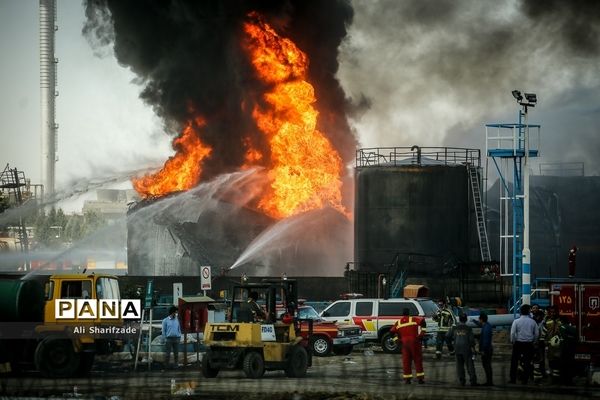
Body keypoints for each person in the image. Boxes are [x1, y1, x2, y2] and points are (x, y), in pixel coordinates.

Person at [390, 308, 426, 384]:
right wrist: (422, 333)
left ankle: (407, 379)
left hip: (404, 344)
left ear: (402, 314)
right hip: (414, 342)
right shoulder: (413, 319)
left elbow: (391, 332)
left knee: (406, 361)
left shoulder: (398, 322)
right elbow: (423, 322)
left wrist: (397, 340)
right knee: (417, 360)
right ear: (409, 313)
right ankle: (420, 379)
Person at [509, 304, 539, 384]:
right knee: (527, 362)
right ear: (529, 311)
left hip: (518, 344)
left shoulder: (516, 321)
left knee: (514, 362)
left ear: (520, 312)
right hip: (529, 344)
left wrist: (513, 341)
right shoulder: (533, 322)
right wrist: (534, 341)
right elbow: (536, 334)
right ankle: (525, 380)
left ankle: (513, 379)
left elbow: (512, 333)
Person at [448, 313, 477, 386]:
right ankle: (473, 381)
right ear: (466, 319)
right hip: (466, 349)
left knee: (459, 366)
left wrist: (451, 347)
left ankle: (462, 381)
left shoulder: (455, 328)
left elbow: (447, 336)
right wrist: (474, 349)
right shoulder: (468, 328)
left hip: (457, 348)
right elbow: (471, 340)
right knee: (470, 365)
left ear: (459, 319)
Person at [558, 316, 577, 385]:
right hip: (571, 349)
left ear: (562, 321)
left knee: (563, 365)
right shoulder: (572, 328)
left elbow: (561, 338)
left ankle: (563, 380)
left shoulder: (562, 327)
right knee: (570, 365)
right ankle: (569, 381)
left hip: (563, 349)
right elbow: (575, 337)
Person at [478, 312, 493, 386]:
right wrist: (474, 321)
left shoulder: (486, 328)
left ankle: (489, 382)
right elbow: (480, 324)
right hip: (488, 349)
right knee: (487, 365)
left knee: (486, 365)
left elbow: (486, 340)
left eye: (479, 319)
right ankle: (489, 381)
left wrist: (483, 350)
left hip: (486, 350)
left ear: (481, 319)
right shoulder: (487, 325)